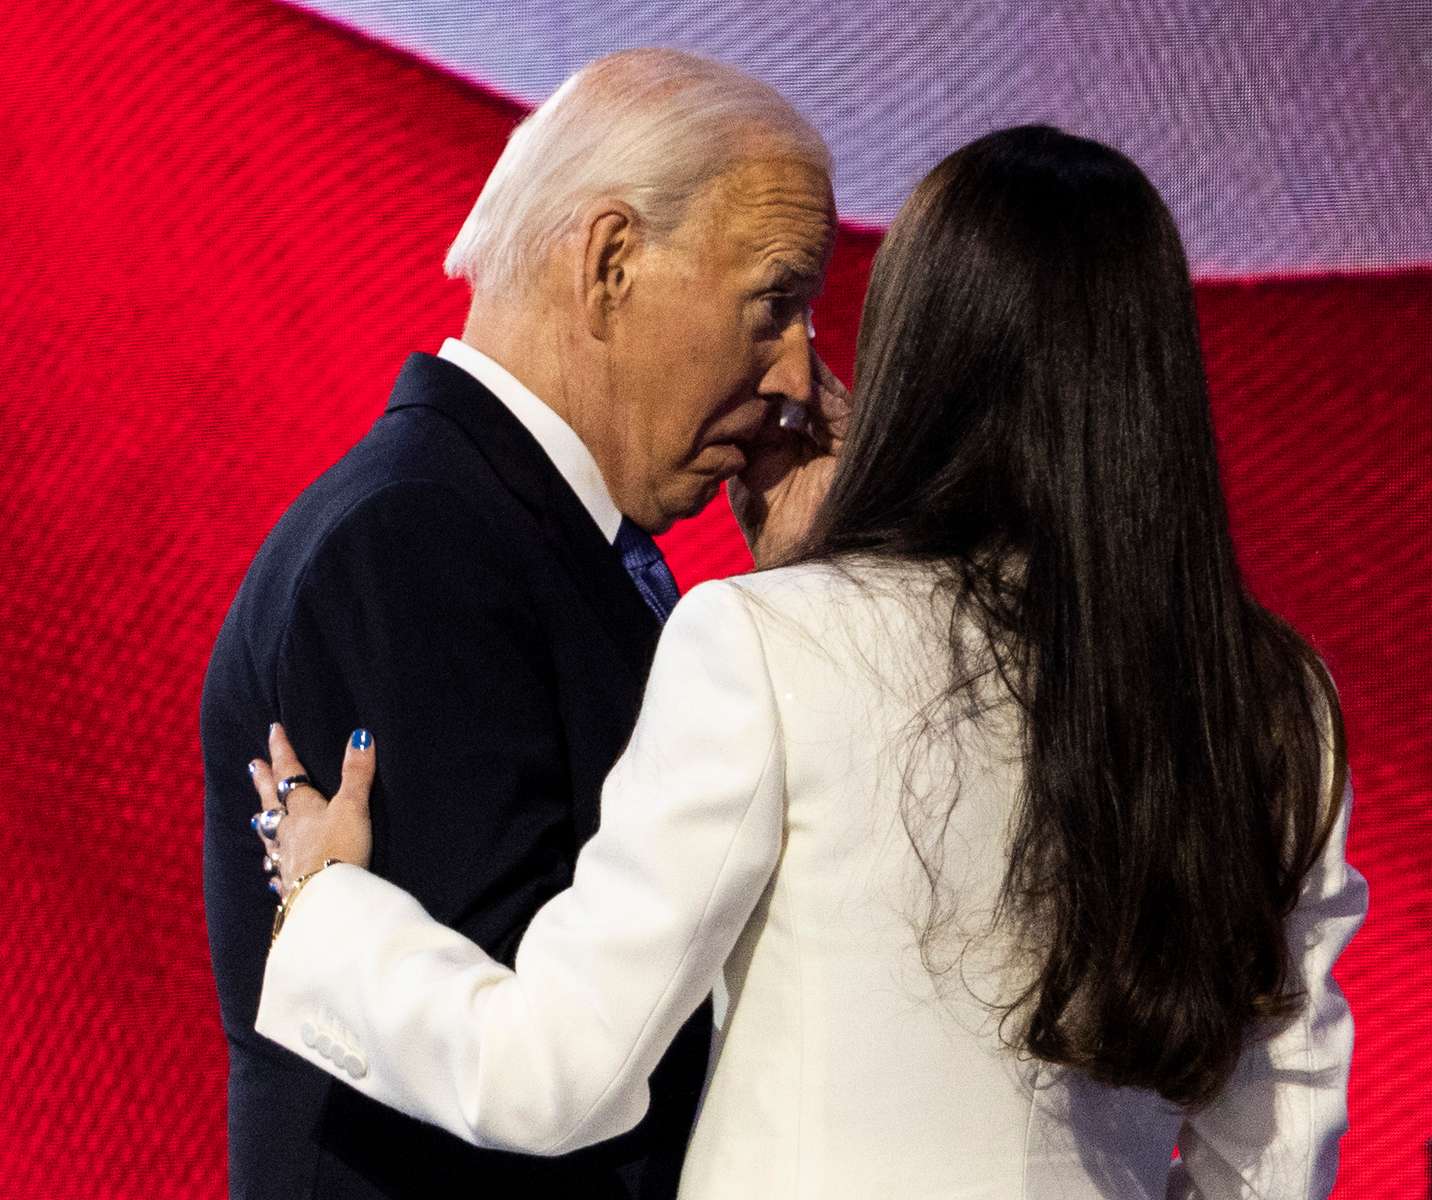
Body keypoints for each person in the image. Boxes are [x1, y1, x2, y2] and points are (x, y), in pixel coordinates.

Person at [243, 127, 1365, 1197]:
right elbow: (1274, 1139)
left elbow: (556, 1074)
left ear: (921, 351)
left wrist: (332, 905)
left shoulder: (760, 644)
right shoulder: (1271, 705)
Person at [200, 49, 836, 1199]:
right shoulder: (412, 546)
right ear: (609, 263)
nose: (800, 372)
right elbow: (520, 1057)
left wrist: (812, 590)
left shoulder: (532, 538)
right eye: (776, 302)